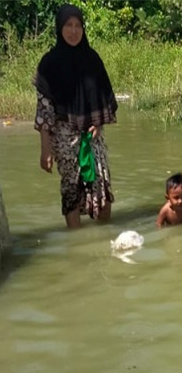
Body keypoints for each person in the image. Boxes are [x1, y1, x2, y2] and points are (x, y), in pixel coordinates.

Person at [33, 4, 118, 229]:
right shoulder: (49, 64)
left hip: (93, 135)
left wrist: (98, 125)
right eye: (68, 25)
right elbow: (44, 111)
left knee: (101, 184)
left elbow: (102, 97)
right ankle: (75, 239)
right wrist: (45, 150)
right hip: (63, 136)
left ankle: (103, 236)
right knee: (72, 186)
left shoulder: (92, 59)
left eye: (78, 25)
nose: (73, 31)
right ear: (59, 28)